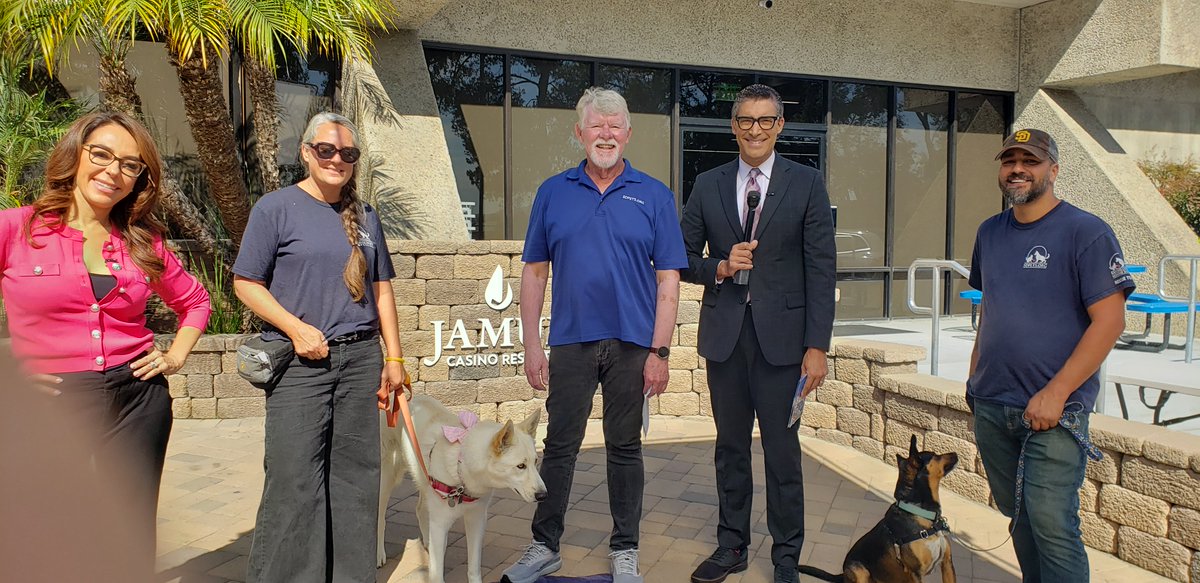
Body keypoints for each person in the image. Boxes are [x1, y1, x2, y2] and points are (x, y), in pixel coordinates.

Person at [0, 111, 212, 571]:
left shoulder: (141, 240)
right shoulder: (16, 228)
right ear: (76, 155)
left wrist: (175, 356)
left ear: (140, 179)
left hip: (138, 399)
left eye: (130, 165)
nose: (113, 172)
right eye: (102, 155)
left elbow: (196, 301)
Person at [501, 87, 687, 583]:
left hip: (632, 344)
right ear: (579, 133)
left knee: (625, 448)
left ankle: (625, 550)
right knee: (559, 446)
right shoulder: (552, 192)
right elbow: (535, 273)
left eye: (615, 125)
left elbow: (669, 281)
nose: (606, 133)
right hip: (571, 342)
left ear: (628, 133)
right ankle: (544, 546)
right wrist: (532, 344)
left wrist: (660, 351)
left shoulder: (654, 195)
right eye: (596, 125)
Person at [234, 112, 409, 583]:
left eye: (348, 154)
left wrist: (393, 358)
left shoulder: (367, 215)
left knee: (356, 476)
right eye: (327, 150)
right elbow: (245, 283)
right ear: (307, 152)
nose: (337, 160)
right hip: (301, 363)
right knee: (294, 479)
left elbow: (382, 290)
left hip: (361, 360)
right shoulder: (275, 209)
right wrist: (295, 328)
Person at [680, 84, 836, 583]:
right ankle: (732, 545)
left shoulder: (807, 182)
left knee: (783, 454)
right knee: (730, 448)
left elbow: (821, 268)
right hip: (726, 338)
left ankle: (786, 556)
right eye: (746, 120)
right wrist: (720, 266)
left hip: (784, 344)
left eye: (765, 120)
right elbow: (681, 258)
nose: (755, 130)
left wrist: (817, 346)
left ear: (780, 126)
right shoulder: (708, 184)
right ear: (733, 126)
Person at [967, 129, 1132, 583]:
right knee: (1019, 516)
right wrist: (973, 380)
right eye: (1009, 161)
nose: (1018, 168)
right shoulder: (990, 232)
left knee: (1052, 523)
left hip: (1057, 410)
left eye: (1031, 161)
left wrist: (1057, 392)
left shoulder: (1087, 231)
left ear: (1053, 171)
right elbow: (991, 310)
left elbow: (1110, 321)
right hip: (993, 402)